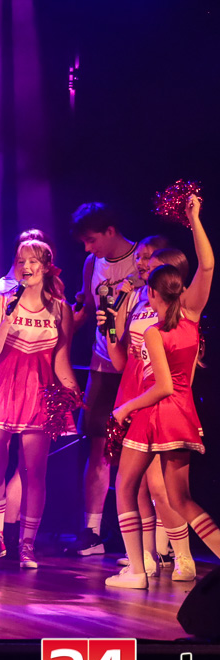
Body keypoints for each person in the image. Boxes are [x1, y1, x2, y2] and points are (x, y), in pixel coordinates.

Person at [107, 197, 216, 588]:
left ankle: (155, 566)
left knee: (141, 488)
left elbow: (162, 384)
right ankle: (147, 563)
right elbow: (122, 358)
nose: (143, 268)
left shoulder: (169, 320)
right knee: (164, 494)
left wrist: (126, 408)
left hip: (156, 407)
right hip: (162, 406)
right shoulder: (164, 310)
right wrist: (195, 218)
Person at [0, 238, 80, 568]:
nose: (27, 267)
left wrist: (74, 394)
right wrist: (6, 320)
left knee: (34, 472)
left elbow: (60, 359)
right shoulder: (1, 301)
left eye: (34, 261)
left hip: (39, 391)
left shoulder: (60, 309)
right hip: (1, 388)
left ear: (46, 266)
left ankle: (27, 545)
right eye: (21, 261)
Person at [101, 234, 179, 575]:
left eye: (149, 258)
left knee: (160, 485)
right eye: (141, 258)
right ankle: (147, 555)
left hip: (159, 395)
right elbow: (121, 361)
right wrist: (110, 329)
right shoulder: (136, 303)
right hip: (132, 394)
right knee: (139, 483)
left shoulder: (177, 307)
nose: (142, 263)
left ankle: (176, 553)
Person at [65, 202, 140, 557]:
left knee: (139, 450)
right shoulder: (91, 264)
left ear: (110, 231)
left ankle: (147, 540)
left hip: (137, 368)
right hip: (101, 365)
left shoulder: (143, 257)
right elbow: (88, 311)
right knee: (97, 446)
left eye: (91, 239)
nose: (87, 248)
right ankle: (91, 532)